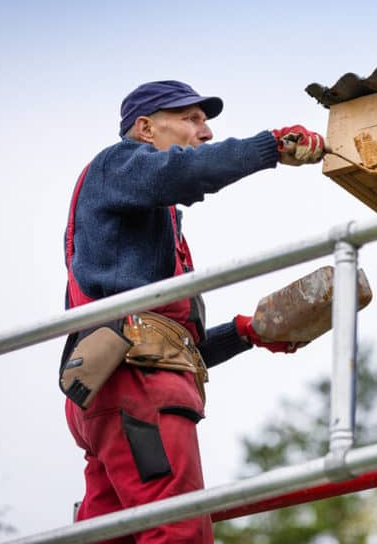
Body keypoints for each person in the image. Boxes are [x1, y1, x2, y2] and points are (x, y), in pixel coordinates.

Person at [60, 80, 325, 542]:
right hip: (136, 386)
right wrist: (271, 146)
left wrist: (246, 333)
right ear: (144, 128)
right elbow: (187, 172)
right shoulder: (117, 164)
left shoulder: (146, 222)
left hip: (118, 386)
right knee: (178, 531)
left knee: (110, 535)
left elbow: (170, 338)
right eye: (191, 119)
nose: (204, 133)